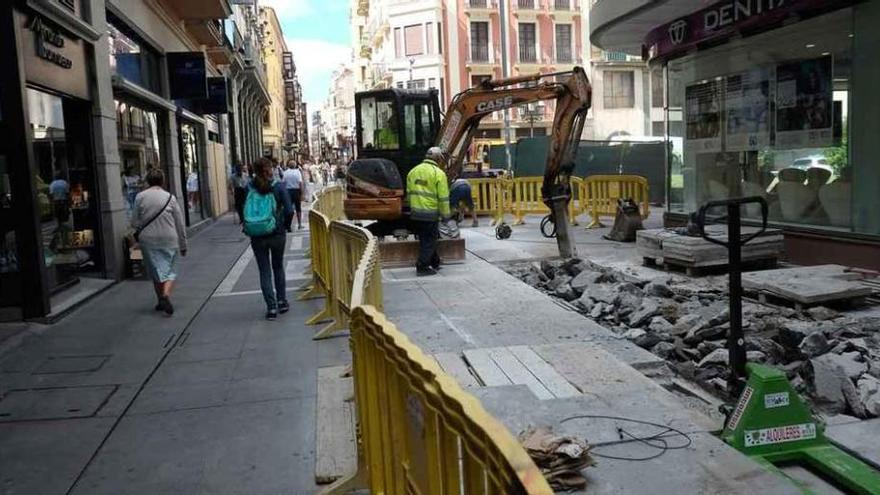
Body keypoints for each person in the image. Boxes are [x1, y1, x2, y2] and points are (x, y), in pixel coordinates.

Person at [132, 168, 187, 316]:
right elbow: (180, 223)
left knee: (156, 270)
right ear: (163, 181)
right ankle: (165, 296)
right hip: (169, 238)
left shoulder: (140, 197)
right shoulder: (170, 197)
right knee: (170, 270)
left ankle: (160, 300)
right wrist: (183, 244)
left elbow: (134, 222)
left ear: (148, 181)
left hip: (148, 240)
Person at [245, 157, 293, 320]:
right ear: (270, 169)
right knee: (278, 267)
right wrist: (285, 226)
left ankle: (271, 308)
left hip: (257, 235)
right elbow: (289, 210)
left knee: (264, 270)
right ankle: (282, 302)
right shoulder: (278, 187)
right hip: (277, 233)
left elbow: (242, 208)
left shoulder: (249, 187)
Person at [406, 147, 450, 276]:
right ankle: (422, 265)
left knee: (427, 238)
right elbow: (443, 198)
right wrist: (446, 215)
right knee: (429, 239)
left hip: (416, 213)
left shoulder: (413, 172)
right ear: (437, 158)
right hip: (430, 213)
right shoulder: (438, 173)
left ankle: (434, 261)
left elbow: (409, 194)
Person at [281, 160, 303, 230]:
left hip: (288, 191)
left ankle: (288, 225)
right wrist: (302, 192)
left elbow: (283, 183)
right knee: (298, 208)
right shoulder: (298, 172)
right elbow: (300, 183)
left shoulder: (285, 172)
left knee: (288, 208)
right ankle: (299, 224)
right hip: (296, 191)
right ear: (295, 165)